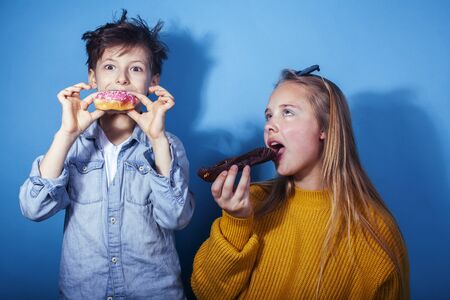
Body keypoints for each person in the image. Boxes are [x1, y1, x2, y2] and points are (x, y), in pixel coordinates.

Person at [191, 65, 409, 299]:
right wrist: (236, 222)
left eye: (287, 112)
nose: (269, 125)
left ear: (324, 128)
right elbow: (205, 293)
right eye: (269, 115)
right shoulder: (252, 202)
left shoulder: (377, 233)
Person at [19, 10, 194, 299]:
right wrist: (66, 135)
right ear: (93, 77)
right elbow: (33, 208)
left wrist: (158, 140)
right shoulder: (72, 146)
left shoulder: (168, 145)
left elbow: (176, 218)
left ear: (153, 82)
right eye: (110, 67)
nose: (121, 80)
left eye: (136, 69)